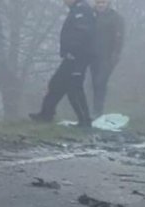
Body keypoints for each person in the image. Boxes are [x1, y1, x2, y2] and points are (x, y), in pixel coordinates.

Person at [30, 0, 96, 128]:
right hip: (71, 55)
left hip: (78, 56)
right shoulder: (76, 9)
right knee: (56, 83)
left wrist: (72, 50)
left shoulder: (82, 10)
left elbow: (83, 33)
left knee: (74, 87)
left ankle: (85, 120)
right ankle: (46, 114)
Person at [91, 0, 125, 118]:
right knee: (94, 83)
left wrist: (115, 54)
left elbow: (119, 38)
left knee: (101, 82)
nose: (100, 5)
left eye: (103, 2)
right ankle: (94, 109)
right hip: (92, 56)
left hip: (107, 56)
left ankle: (98, 110)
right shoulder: (90, 15)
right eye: (98, 2)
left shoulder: (115, 17)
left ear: (108, 3)